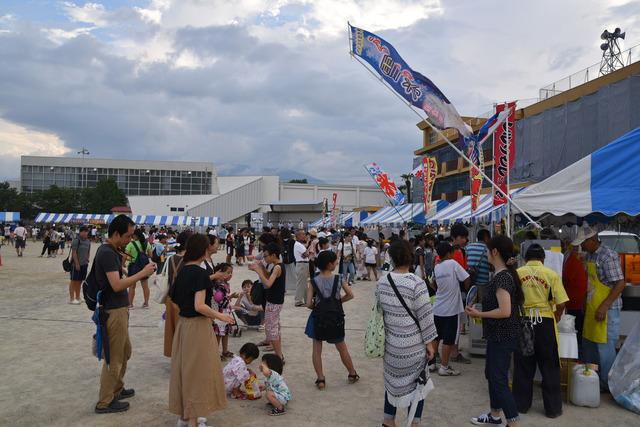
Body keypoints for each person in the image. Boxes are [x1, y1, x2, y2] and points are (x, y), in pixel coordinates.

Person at [168, 234, 234, 427]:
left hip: (184, 326)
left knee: (185, 372)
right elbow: (199, 305)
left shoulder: (182, 270)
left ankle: (185, 416)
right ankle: (193, 422)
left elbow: (174, 300)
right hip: (197, 326)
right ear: (203, 250)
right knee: (197, 374)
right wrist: (221, 316)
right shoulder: (199, 273)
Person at [93, 214, 156, 414]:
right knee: (114, 357)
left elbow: (118, 278)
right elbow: (116, 284)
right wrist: (141, 273)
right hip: (113, 311)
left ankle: (117, 389)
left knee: (124, 352)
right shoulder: (106, 253)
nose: (130, 240)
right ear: (117, 234)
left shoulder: (111, 251)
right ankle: (105, 401)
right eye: (128, 236)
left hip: (119, 309)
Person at [378, 240, 437, 427]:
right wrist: (430, 344)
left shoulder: (382, 282)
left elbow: (380, 314)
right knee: (418, 386)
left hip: (391, 347)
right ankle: (413, 423)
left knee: (392, 384)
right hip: (414, 347)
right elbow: (425, 316)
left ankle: (388, 420)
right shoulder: (417, 283)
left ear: (392, 258)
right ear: (410, 257)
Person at [465, 235, 522, 427]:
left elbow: (505, 311)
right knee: (492, 374)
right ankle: (495, 415)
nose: (486, 253)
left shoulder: (502, 277)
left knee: (498, 380)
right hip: (498, 335)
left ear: (495, 252)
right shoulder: (501, 275)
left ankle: (512, 422)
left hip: (502, 336)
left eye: (488, 250)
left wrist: (480, 314)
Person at [514, 244, 568, 418]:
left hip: (524, 322)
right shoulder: (551, 275)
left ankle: (521, 405)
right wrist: (557, 315)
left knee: (524, 365)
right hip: (544, 323)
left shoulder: (517, 273)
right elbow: (561, 303)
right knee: (549, 366)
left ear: (526, 259)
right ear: (543, 260)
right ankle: (553, 409)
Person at [573, 226, 626, 392]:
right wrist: (585, 302)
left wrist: (604, 306)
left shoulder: (607, 256)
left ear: (592, 240)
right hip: (592, 307)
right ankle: (593, 381)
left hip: (607, 309)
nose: (581, 246)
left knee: (605, 349)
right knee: (589, 345)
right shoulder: (590, 255)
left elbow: (620, 283)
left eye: (583, 243)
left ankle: (608, 385)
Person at [305, 250, 358, 390]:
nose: (336, 263)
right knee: (341, 347)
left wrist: (318, 306)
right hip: (335, 317)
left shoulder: (313, 281)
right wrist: (337, 302)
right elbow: (350, 295)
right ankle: (352, 373)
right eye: (335, 261)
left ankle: (320, 379)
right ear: (330, 265)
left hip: (318, 318)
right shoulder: (339, 278)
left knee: (316, 349)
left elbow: (308, 303)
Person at [432, 242, 471, 377]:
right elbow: (466, 277)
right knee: (449, 339)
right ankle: (444, 366)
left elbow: (433, 283)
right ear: (449, 253)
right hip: (451, 310)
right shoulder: (453, 264)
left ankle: (431, 363)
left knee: (436, 336)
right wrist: (465, 289)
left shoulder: (437, 267)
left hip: (438, 307)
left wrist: (441, 290)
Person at [249, 242, 286, 362]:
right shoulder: (277, 265)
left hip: (274, 302)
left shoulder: (277, 267)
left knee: (272, 329)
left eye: (265, 256)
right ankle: (279, 355)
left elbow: (268, 283)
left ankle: (279, 357)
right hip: (275, 301)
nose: (264, 258)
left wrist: (258, 271)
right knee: (275, 327)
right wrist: (262, 268)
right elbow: (270, 277)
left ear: (273, 255)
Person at [164, 231, 192, 358]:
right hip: (184, 302)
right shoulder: (190, 261)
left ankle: (175, 356)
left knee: (173, 331)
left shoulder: (170, 258)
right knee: (185, 333)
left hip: (170, 299)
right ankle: (183, 358)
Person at [561, 238, 588, 359]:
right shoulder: (571, 260)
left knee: (576, 329)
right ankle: (578, 353)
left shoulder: (572, 260)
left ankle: (578, 354)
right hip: (575, 300)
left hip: (575, 301)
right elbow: (566, 279)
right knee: (577, 329)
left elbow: (565, 279)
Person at [212, 263, 236, 359]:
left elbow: (224, 298)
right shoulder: (219, 285)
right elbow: (219, 300)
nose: (230, 274)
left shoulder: (225, 284)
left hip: (226, 311)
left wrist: (231, 297)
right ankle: (215, 354)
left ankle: (225, 351)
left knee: (225, 332)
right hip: (220, 312)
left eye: (231, 273)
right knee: (218, 333)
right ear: (220, 273)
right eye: (228, 272)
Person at [125, 229, 153, 309]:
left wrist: (124, 262)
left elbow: (126, 255)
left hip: (133, 266)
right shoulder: (146, 243)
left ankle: (130, 304)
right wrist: (142, 257)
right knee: (145, 286)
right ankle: (146, 303)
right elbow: (150, 255)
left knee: (132, 286)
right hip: (144, 266)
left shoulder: (131, 244)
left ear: (135, 235)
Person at [466, 229, 492, 298]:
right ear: (486, 238)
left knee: (469, 305)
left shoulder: (468, 247)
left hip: (469, 283)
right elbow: (492, 268)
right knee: (481, 306)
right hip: (482, 285)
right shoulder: (488, 250)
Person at [69, 226, 91, 304]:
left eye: (86, 231)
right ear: (80, 232)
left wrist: (87, 258)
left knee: (80, 281)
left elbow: (88, 251)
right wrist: (77, 263)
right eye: (84, 231)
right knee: (73, 281)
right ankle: (72, 299)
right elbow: (74, 253)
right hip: (76, 265)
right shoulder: (76, 241)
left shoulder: (88, 241)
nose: (85, 233)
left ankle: (78, 297)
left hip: (84, 264)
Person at [293, 230, 309, 307]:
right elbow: (306, 254)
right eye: (302, 234)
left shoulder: (299, 244)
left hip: (303, 264)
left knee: (304, 283)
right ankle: (298, 301)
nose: (304, 235)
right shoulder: (298, 245)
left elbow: (304, 254)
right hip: (302, 264)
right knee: (301, 283)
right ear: (298, 236)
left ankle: (307, 300)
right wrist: (309, 249)